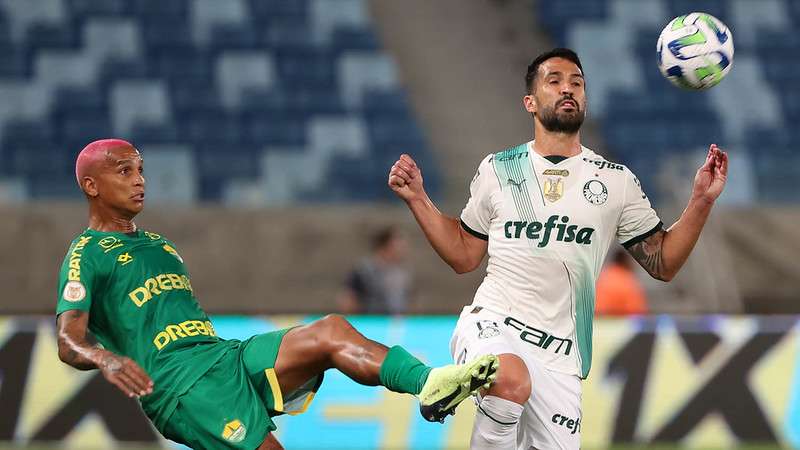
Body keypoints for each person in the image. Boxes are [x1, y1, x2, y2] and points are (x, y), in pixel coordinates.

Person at [56, 139, 499, 450]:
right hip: (181, 387)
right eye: (124, 171)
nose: (139, 180)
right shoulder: (87, 254)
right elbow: (67, 339)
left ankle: (429, 385)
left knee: (330, 331)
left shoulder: (159, 245)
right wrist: (105, 358)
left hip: (222, 357)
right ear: (92, 186)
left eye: (140, 169)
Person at [388, 48, 728, 450]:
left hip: (561, 356)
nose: (568, 88)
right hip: (494, 322)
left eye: (577, 83)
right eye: (554, 81)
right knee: (509, 379)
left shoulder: (615, 181)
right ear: (530, 102)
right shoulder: (499, 169)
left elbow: (664, 262)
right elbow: (464, 254)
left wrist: (701, 202)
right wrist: (419, 200)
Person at [337, 226, 412, 315]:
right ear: (385, 245)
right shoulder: (363, 270)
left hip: (394, 325)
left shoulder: (401, 274)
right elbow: (348, 300)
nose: (403, 249)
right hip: (370, 323)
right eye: (399, 244)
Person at [595, 248, 648, 316]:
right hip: (617, 322)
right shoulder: (628, 282)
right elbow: (637, 312)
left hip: (594, 320)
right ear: (626, 261)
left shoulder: (602, 275)